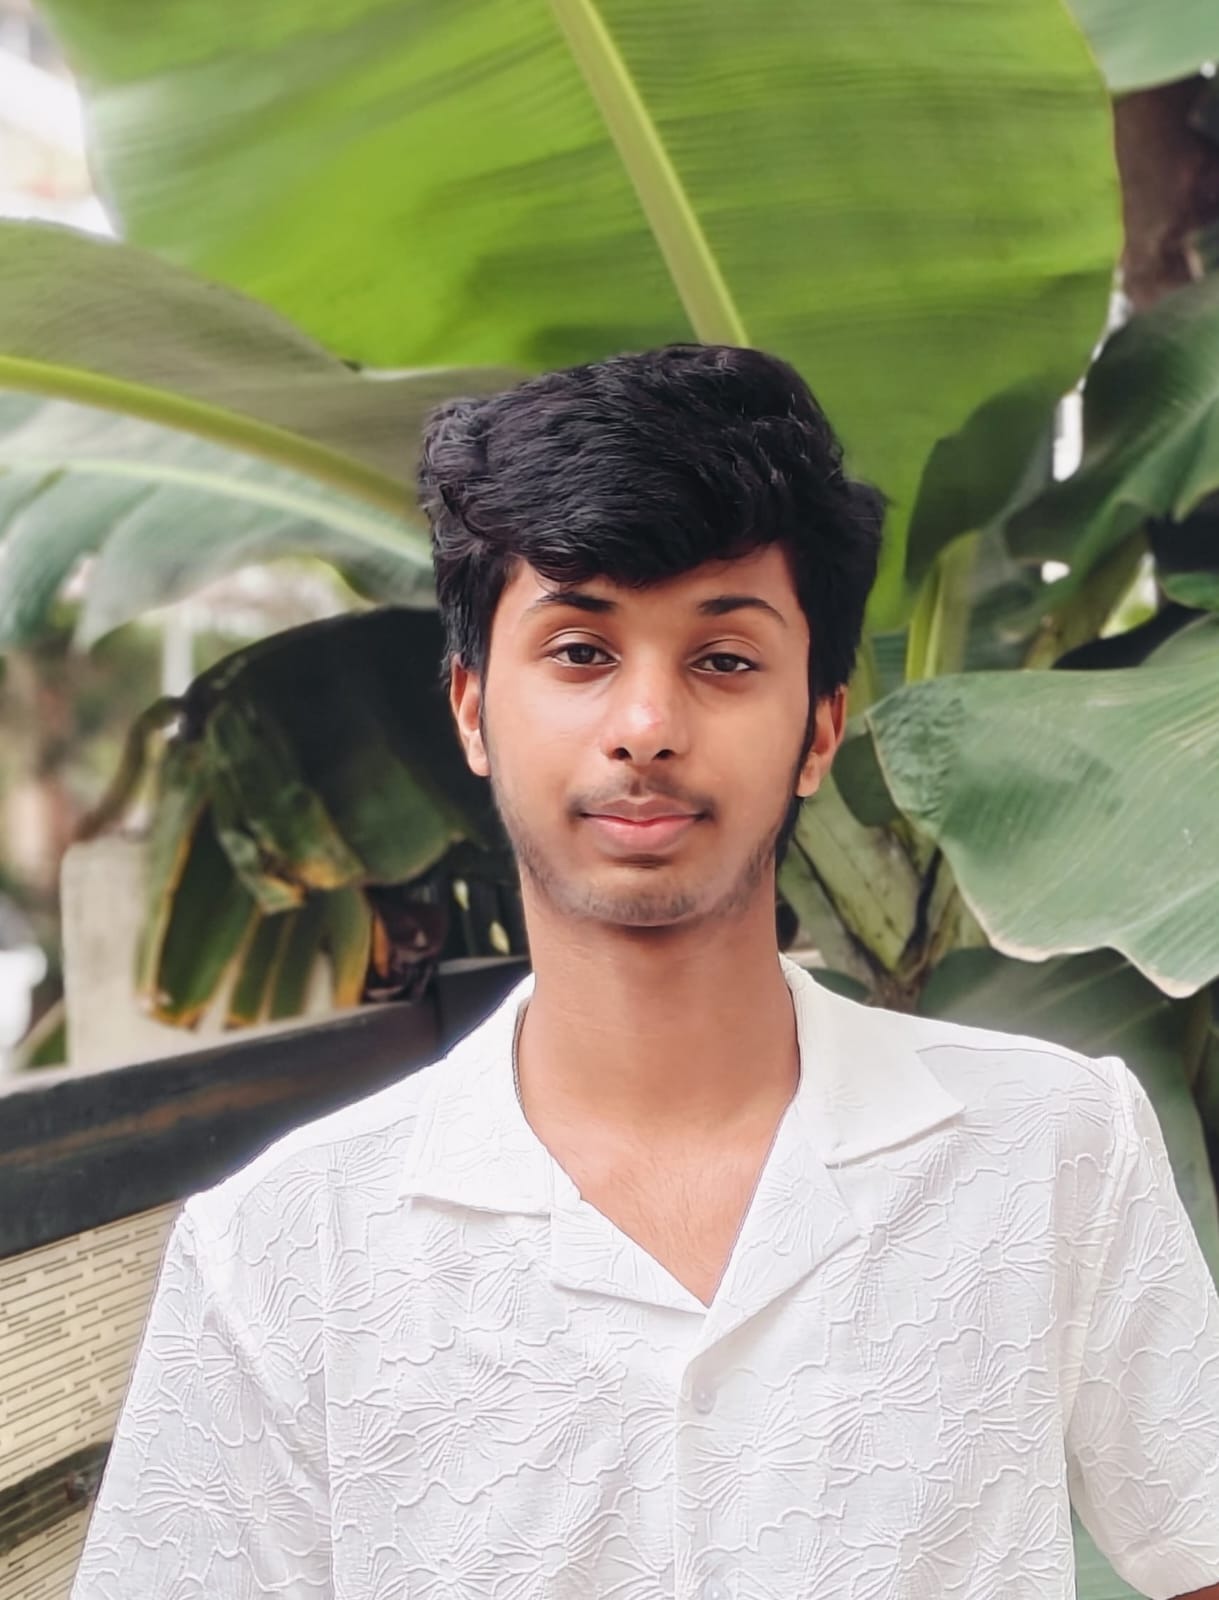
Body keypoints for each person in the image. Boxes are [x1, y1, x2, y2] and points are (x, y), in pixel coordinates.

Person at [70, 345, 1219, 1600]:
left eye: (724, 660)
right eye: (579, 651)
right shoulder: (283, 1251)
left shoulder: (1054, 1146)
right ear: (470, 709)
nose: (646, 726)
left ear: (819, 729)